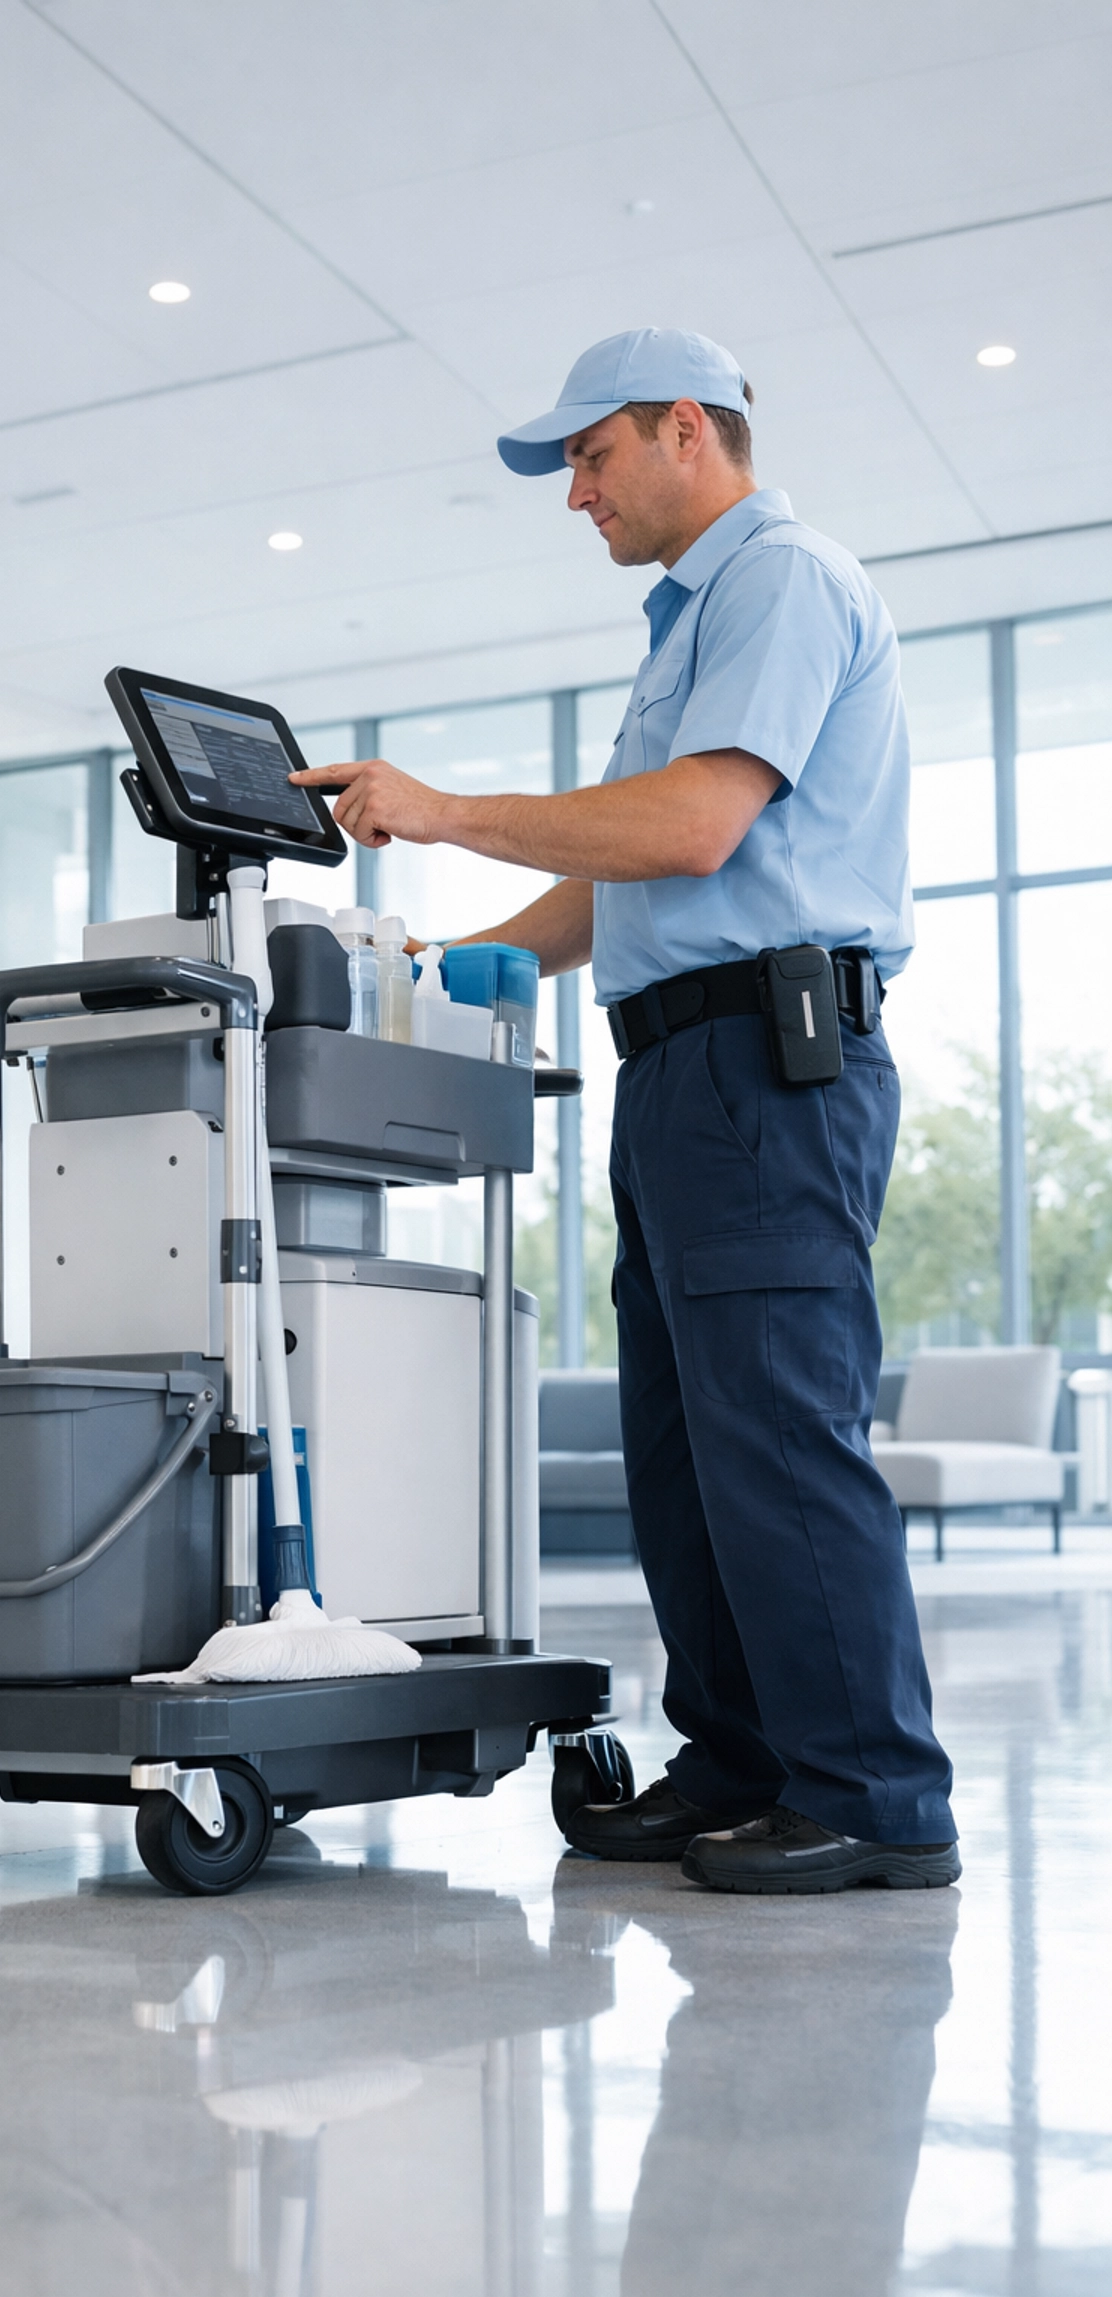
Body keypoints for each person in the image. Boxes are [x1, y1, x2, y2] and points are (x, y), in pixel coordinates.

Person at [292, 326, 960, 1895]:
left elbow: (692, 827)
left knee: (777, 1429)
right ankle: (739, 1762)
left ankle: (874, 1796)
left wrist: (443, 810)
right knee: (688, 1448)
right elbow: (619, 886)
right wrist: (436, 964)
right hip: (678, 1066)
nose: (576, 492)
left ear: (684, 432)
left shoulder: (780, 579)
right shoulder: (692, 628)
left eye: (590, 456)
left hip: (764, 1064)